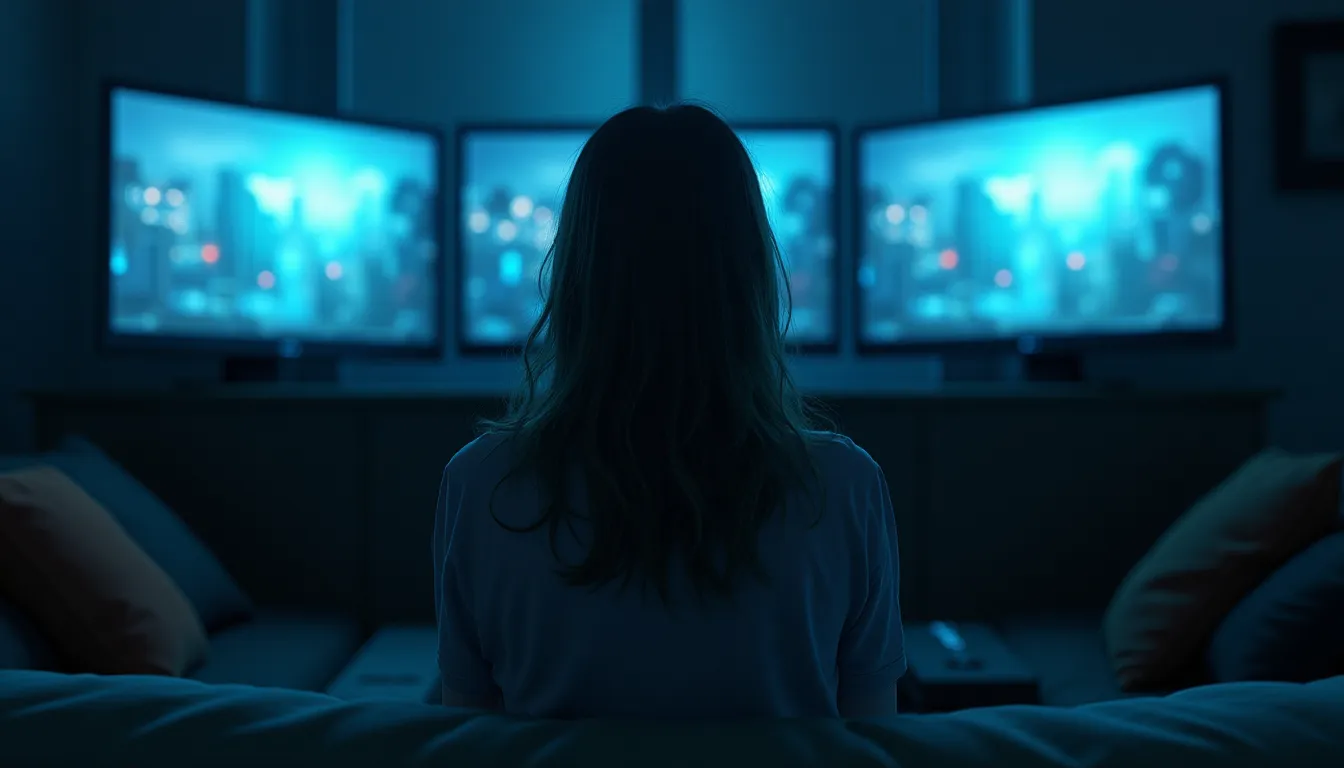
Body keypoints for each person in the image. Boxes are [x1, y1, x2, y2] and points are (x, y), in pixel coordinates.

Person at [432, 104, 904, 719]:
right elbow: (871, 742)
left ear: (576, 271)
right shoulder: (844, 487)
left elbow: (468, 738)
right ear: (751, 273)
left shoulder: (481, 484)